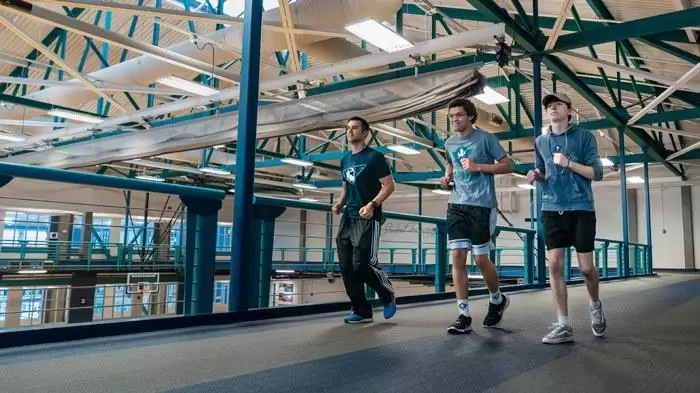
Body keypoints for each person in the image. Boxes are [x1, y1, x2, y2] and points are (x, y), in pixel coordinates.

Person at [527, 93, 607, 344]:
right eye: (549, 106)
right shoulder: (540, 141)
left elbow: (597, 173)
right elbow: (542, 170)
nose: (552, 108)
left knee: (585, 268)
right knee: (555, 265)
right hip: (551, 207)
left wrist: (569, 163)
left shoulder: (584, 137)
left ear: (569, 111)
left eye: (557, 104)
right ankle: (563, 325)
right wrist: (535, 175)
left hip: (581, 206)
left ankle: (595, 305)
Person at [439, 97, 513, 334]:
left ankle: (497, 299)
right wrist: (447, 177)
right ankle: (463, 314)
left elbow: (507, 165)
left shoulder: (486, 138)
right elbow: (450, 164)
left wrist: (479, 166)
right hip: (457, 205)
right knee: (457, 257)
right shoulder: (449, 142)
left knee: (480, 259)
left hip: (482, 205)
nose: (454, 119)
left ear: (471, 116)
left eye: (459, 115)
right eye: (451, 116)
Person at [332, 116, 397, 324]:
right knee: (346, 267)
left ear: (365, 132)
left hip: (368, 217)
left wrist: (372, 205)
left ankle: (387, 294)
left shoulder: (374, 157)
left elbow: (388, 185)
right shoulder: (345, 159)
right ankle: (362, 311)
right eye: (348, 128)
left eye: (354, 128)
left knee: (362, 264)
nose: (350, 131)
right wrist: (340, 203)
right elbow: (347, 186)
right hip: (348, 218)